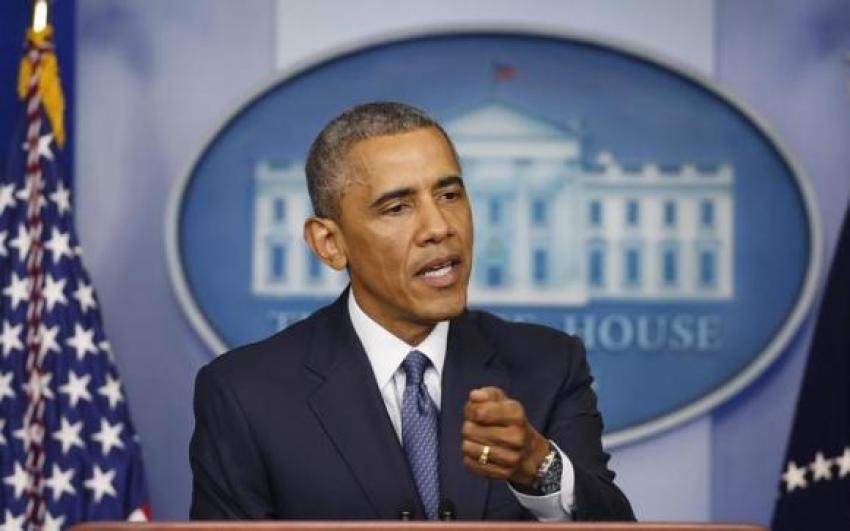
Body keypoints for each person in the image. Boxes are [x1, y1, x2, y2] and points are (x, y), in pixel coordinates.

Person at [189, 102, 634, 521]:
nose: (440, 227)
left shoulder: (549, 364)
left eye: (449, 195)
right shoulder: (244, 394)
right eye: (397, 207)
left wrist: (540, 468)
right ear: (330, 243)